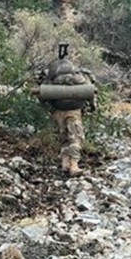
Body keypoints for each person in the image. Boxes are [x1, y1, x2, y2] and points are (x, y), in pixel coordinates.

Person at [37, 44, 96, 176]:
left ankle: (65, 164)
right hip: (74, 111)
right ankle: (74, 165)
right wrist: (92, 107)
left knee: (64, 138)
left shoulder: (50, 79)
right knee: (75, 139)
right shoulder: (79, 77)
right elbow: (90, 93)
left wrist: (49, 109)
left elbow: (42, 96)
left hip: (57, 111)